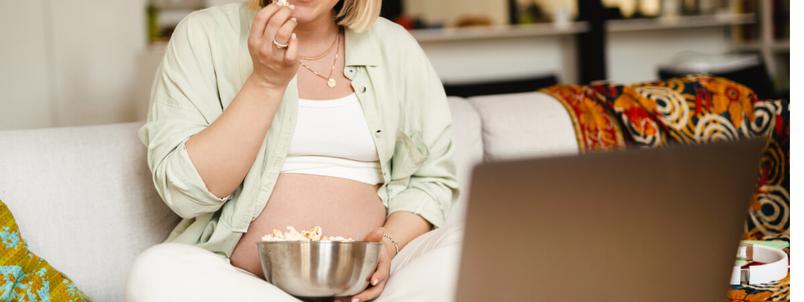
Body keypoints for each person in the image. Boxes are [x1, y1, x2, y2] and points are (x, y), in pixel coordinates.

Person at [126, 0, 463, 301]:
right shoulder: (203, 36)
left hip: (377, 285)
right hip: (244, 283)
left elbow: (430, 180)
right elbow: (185, 193)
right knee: (156, 271)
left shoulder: (395, 47)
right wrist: (266, 81)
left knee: (473, 249)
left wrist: (386, 247)